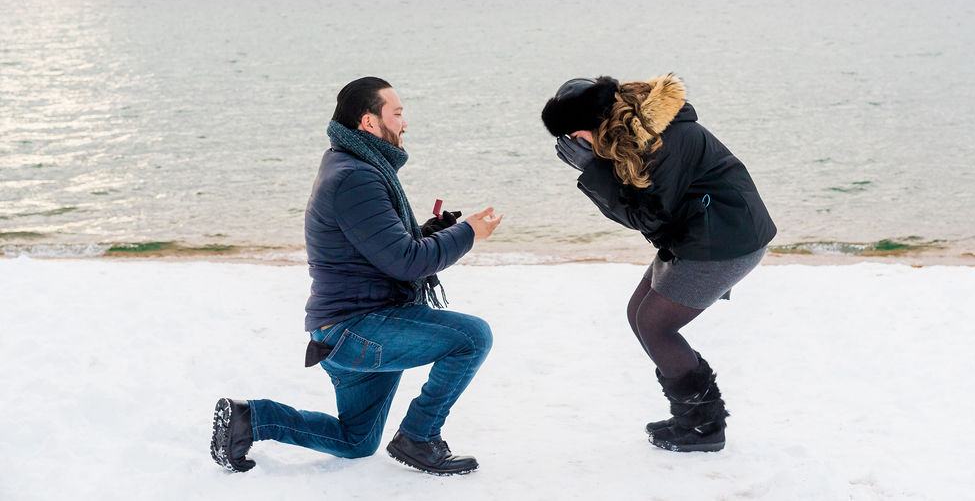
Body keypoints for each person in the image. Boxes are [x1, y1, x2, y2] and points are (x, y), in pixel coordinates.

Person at [211, 76, 503, 476]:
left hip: (345, 331)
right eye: (397, 114)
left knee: (356, 442)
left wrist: (434, 232)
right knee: (473, 337)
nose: (404, 123)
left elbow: (381, 248)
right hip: (358, 330)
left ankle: (251, 420)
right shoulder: (357, 176)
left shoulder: (350, 164)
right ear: (369, 122)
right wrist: (468, 233)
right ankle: (419, 437)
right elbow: (407, 263)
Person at [542, 73, 776, 453]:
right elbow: (649, 210)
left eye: (573, 137)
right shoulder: (629, 133)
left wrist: (595, 171)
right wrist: (597, 167)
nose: (572, 146)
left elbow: (647, 217)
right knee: (639, 313)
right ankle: (692, 413)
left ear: (592, 125)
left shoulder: (663, 142)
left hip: (727, 240)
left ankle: (704, 427)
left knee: (655, 325)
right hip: (698, 233)